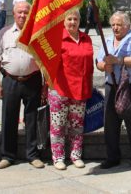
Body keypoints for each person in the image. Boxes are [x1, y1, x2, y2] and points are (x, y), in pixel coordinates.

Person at [0, 1, 45, 170]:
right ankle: (7, 155)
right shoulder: (4, 33)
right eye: (19, 12)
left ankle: (32, 155)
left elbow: (45, 61)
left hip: (33, 79)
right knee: (8, 118)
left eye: (26, 13)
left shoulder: (38, 33)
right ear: (13, 14)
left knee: (32, 119)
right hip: (10, 80)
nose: (22, 15)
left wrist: (45, 86)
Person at [96, 11, 131, 171]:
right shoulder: (107, 40)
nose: (115, 28)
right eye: (113, 25)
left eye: (119, 25)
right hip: (112, 85)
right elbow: (98, 62)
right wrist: (105, 65)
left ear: (127, 25)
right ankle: (112, 157)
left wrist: (117, 60)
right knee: (110, 123)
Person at [49, 9, 94, 170]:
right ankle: (58, 157)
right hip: (59, 89)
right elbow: (47, 65)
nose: (73, 22)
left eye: (75, 19)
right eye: (69, 19)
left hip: (80, 90)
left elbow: (89, 66)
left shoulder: (86, 38)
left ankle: (75, 155)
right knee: (58, 125)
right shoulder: (57, 39)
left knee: (77, 125)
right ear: (63, 21)